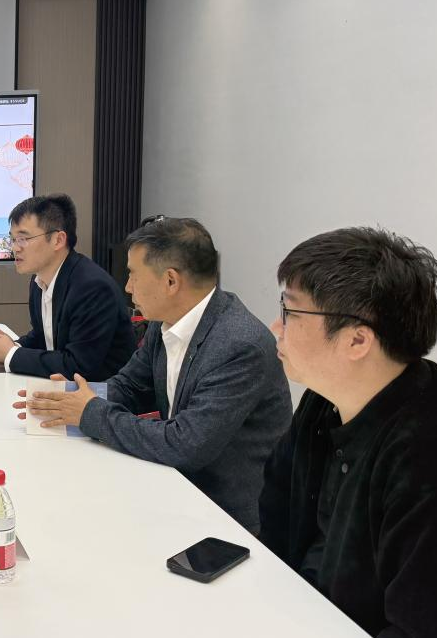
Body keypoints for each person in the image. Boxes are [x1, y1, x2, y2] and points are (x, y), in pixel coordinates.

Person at [258, 227, 437, 638]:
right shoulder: (324, 403)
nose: (275, 328)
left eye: (290, 311)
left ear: (357, 340)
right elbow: (277, 525)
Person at [18, 216, 291, 533]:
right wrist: (67, 401)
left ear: (171, 281)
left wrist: (89, 412)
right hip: (177, 491)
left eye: (133, 274)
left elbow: (185, 444)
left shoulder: (239, 346)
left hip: (229, 521)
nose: (127, 287)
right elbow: (130, 386)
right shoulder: (166, 322)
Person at [0, 194, 134, 380]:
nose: (15, 248)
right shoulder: (39, 281)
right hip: (65, 387)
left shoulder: (92, 287)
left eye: (23, 238)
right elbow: (42, 338)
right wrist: (4, 346)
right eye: (12, 239)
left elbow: (79, 366)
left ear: (58, 240)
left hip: (102, 391)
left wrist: (10, 354)